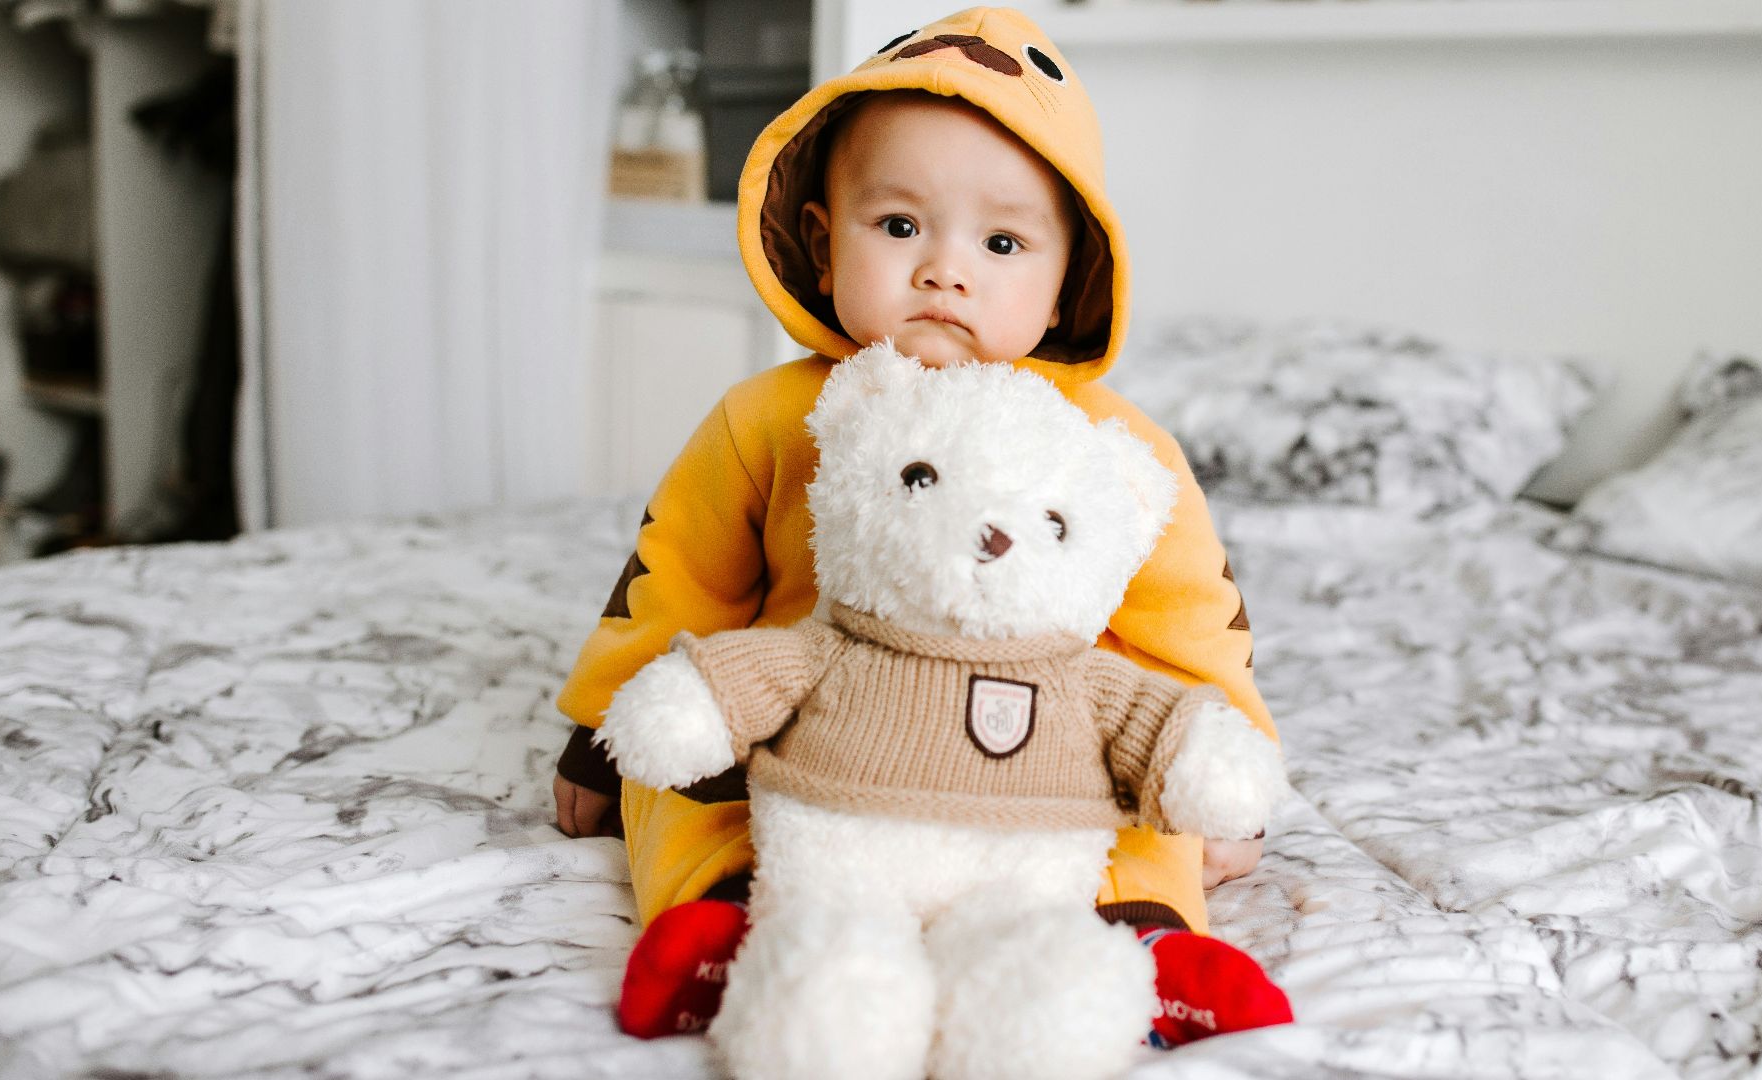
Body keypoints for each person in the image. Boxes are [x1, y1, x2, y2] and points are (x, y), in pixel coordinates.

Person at [552, 6, 1292, 1048]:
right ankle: (723, 920)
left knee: (1134, 815)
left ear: (1067, 275)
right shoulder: (771, 418)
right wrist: (600, 726)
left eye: (1001, 241)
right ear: (822, 239)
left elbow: (1192, 619)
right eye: (899, 226)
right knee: (677, 784)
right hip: (810, 742)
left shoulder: (1109, 447)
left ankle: (1140, 940)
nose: (946, 269)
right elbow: (674, 577)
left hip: (1042, 757)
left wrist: (1228, 770)